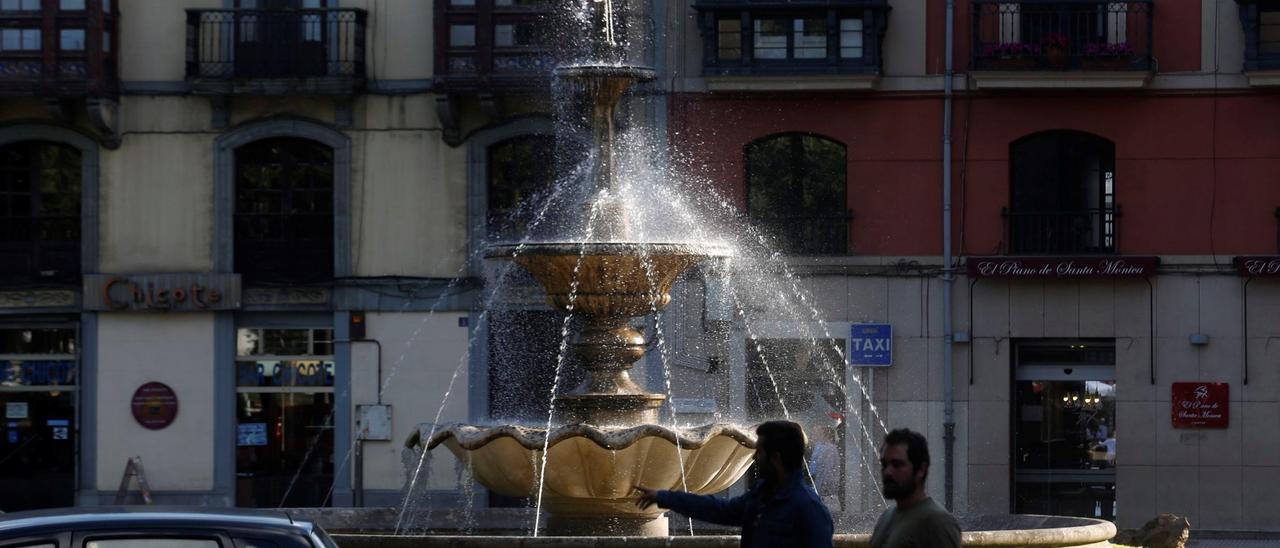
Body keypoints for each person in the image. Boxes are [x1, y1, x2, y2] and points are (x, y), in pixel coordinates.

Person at [635, 420, 833, 547]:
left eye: (760, 452)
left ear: (776, 458)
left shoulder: (809, 508)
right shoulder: (762, 495)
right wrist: (664, 497)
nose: (755, 457)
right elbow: (719, 510)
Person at [869, 428, 961, 548]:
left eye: (897, 465)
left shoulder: (937, 522)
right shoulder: (886, 517)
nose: (887, 472)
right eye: (884, 464)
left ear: (921, 469)